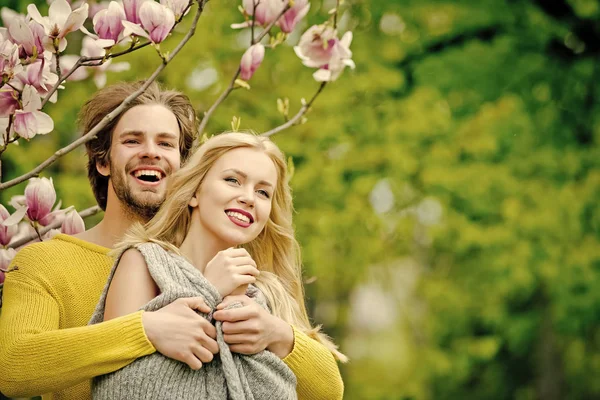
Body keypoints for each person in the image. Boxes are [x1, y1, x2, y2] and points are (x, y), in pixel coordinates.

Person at [0, 82, 344, 400]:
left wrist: (280, 335)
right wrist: (144, 329)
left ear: (184, 169)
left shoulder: (233, 269)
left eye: (166, 143)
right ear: (103, 160)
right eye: (133, 141)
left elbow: (328, 387)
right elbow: (13, 367)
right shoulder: (47, 262)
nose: (151, 152)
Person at [90, 131, 345, 398]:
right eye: (232, 180)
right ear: (194, 192)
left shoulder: (268, 292)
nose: (249, 198)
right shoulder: (144, 262)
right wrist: (208, 290)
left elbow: (329, 391)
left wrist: (278, 335)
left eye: (263, 192)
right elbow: (118, 390)